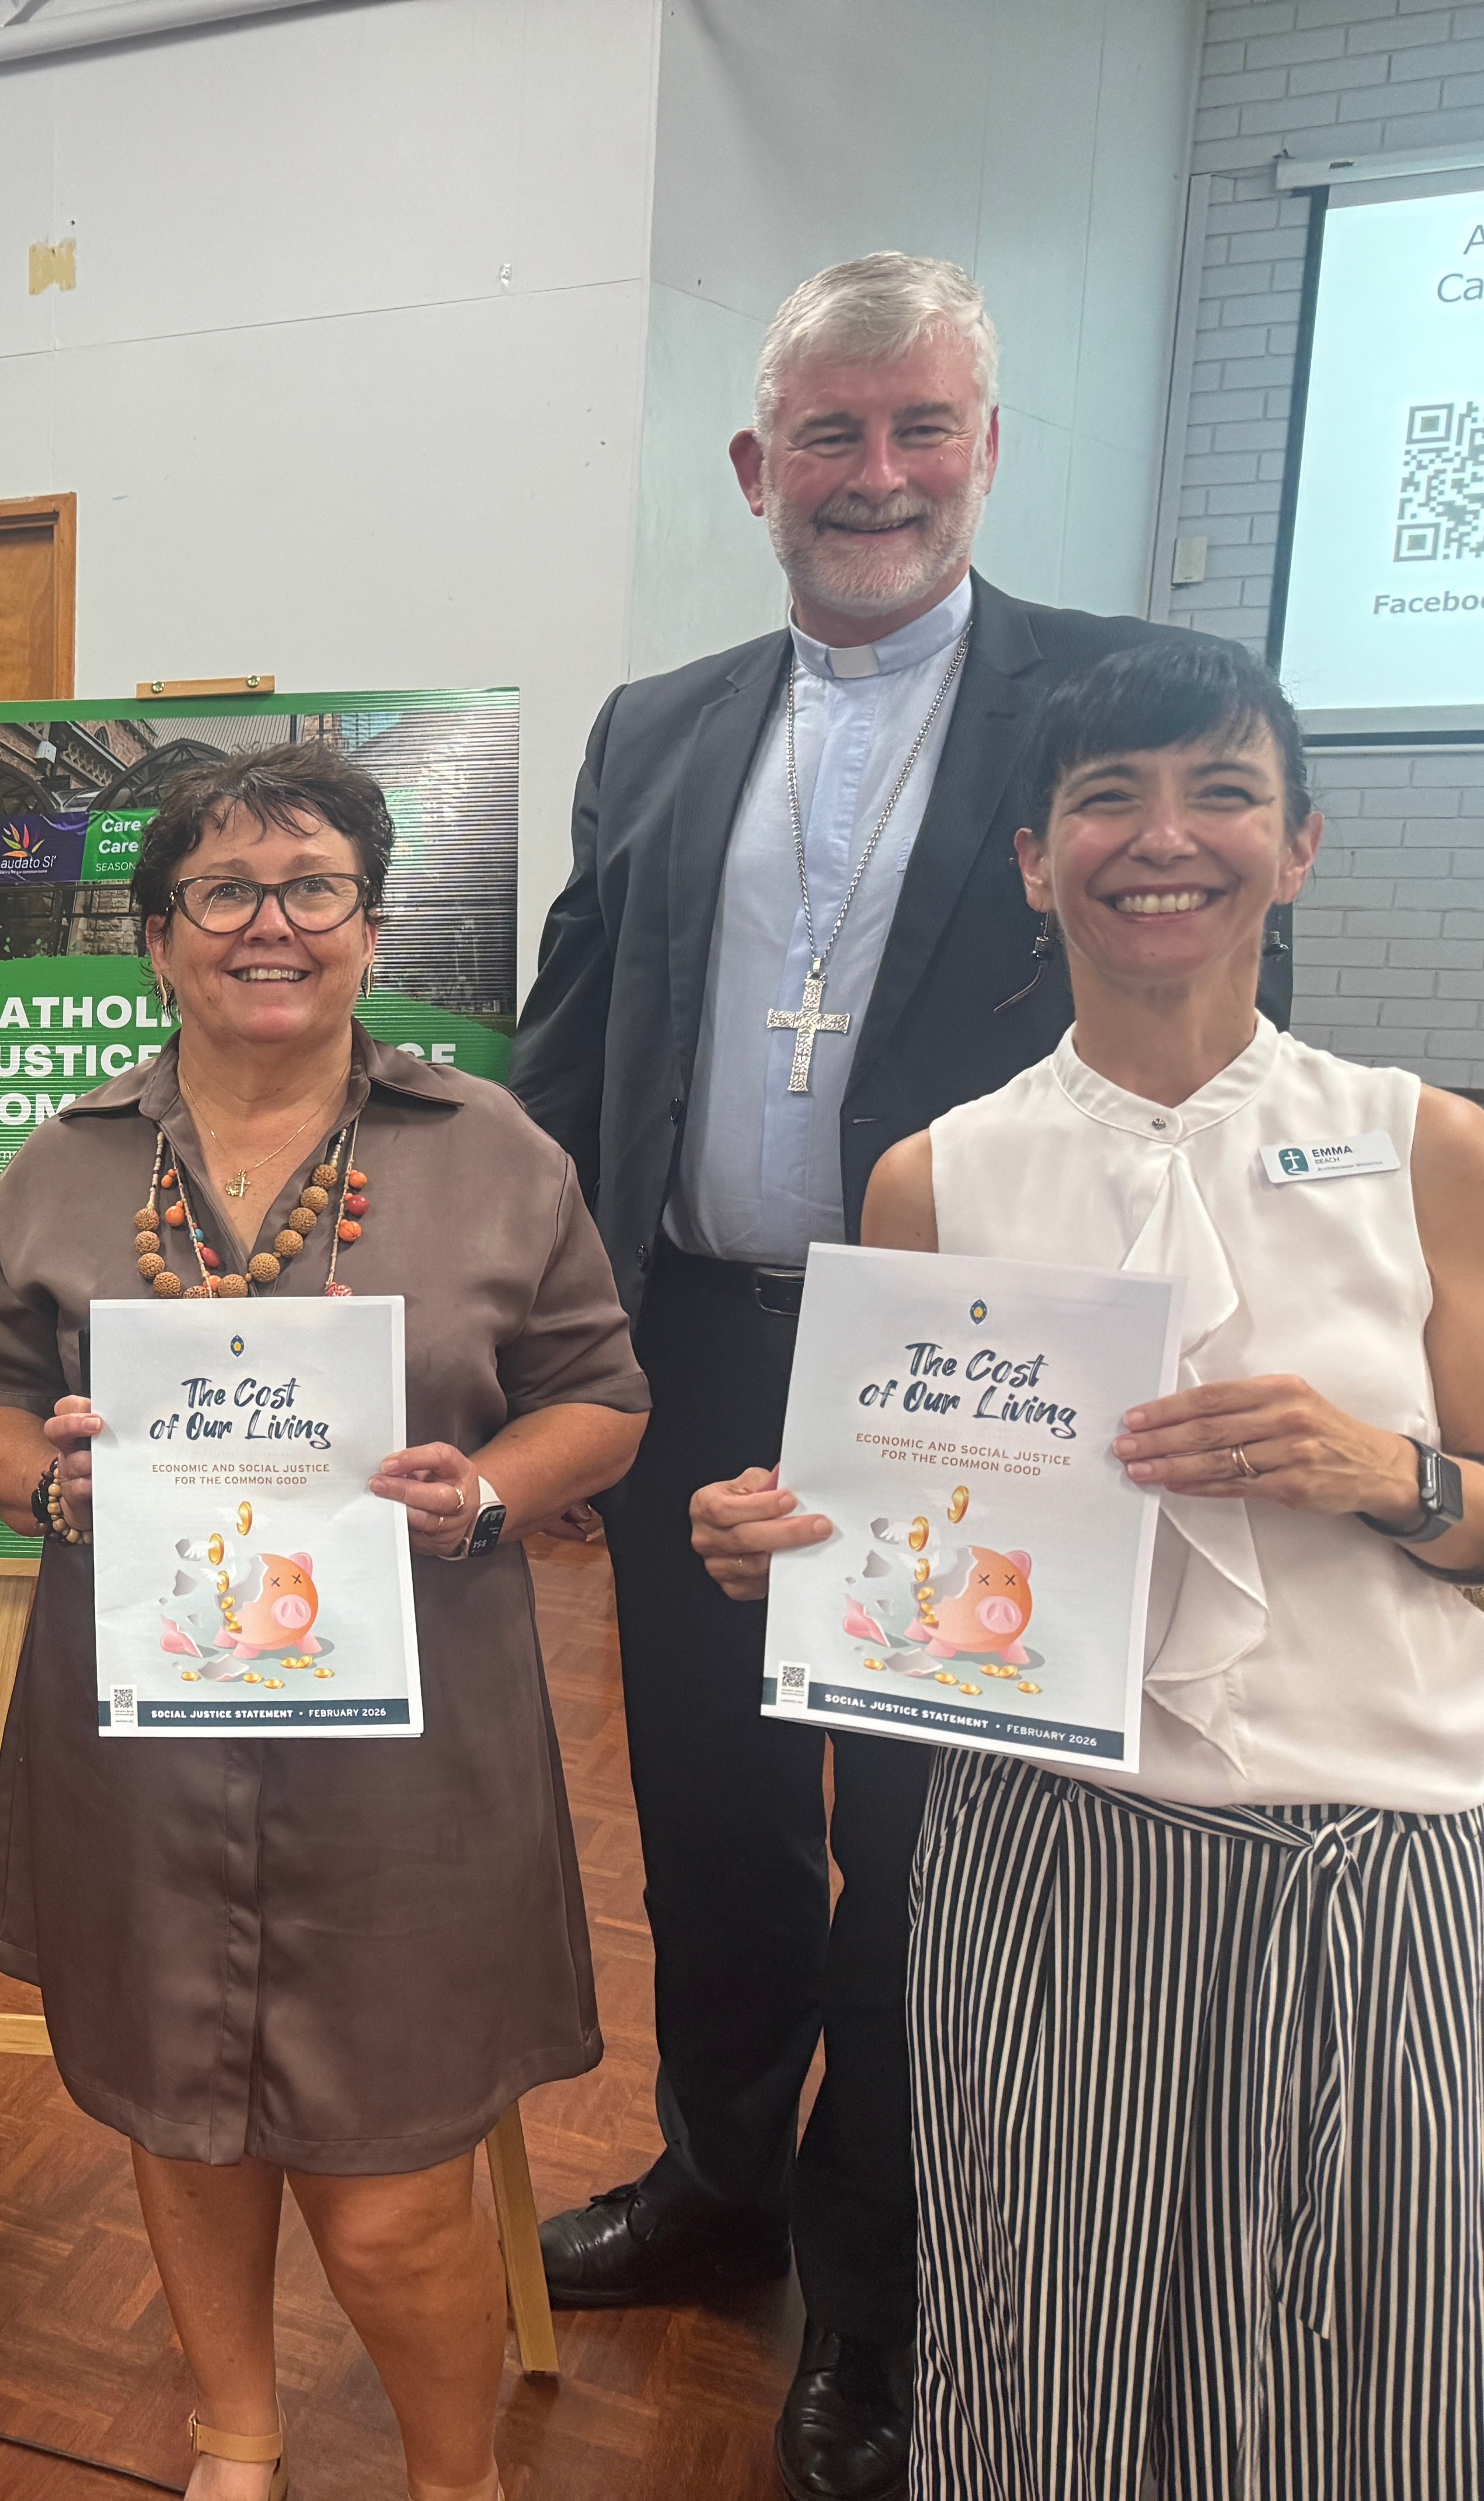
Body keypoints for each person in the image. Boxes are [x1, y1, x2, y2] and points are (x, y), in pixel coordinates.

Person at [511, 251, 1291, 2501]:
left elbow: (1220, 1021)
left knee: (935, 1849)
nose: (877, 474)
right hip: (697, 1346)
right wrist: (541, 1334)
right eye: (831, 435)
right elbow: (578, 1041)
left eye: (920, 426)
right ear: (757, 468)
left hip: (985, 1377)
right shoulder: (656, 722)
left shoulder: (1104, 709)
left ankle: (881, 2282)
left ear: (983, 448)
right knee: (708, 1815)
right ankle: (720, 2179)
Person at [848, 636, 1484, 2494]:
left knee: (1367, 2367)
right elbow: (910, 1553)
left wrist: (1392, 1473)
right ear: (1035, 860)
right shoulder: (937, 1178)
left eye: (1223, 792)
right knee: (1041, 2350)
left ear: (1300, 846)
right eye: (1107, 798)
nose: (1164, 837)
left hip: (1380, 1858)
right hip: (1049, 1851)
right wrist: (798, 1541)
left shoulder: (1431, 1148)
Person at [0, 744, 649, 2501]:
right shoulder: (62, 1164)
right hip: (140, 1739)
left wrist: (488, 1489)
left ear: (370, 928)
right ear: (159, 938)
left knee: (390, 2192)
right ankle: (235, 2436)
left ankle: (454, 2478)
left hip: (409, 1754)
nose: (268, 924)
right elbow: (1, 1399)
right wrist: (48, 1476)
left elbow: (603, 1397)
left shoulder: (493, 1150)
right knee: (180, 2118)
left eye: (312, 889)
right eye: (223, 890)